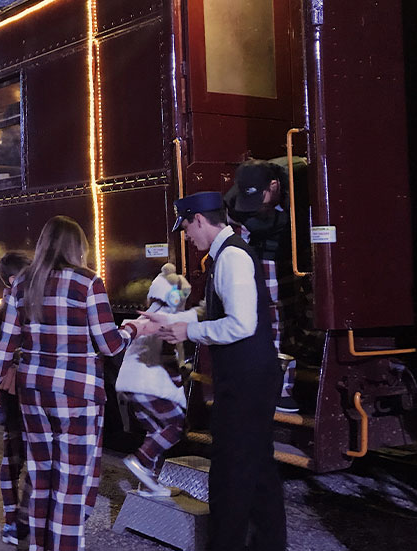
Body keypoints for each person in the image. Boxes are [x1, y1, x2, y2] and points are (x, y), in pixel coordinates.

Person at [0, 215, 147, 551]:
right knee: (71, 486)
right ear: (78, 248)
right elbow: (109, 345)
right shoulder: (88, 283)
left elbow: (4, 345)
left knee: (41, 477)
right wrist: (133, 329)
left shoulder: (23, 283)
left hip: (33, 394)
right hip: (77, 396)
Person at [145, 191, 286, 551]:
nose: (188, 237)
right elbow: (213, 312)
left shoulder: (232, 258)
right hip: (248, 377)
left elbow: (240, 325)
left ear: (199, 220)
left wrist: (188, 331)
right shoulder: (225, 254)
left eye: (187, 228)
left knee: (230, 475)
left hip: (245, 381)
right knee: (258, 473)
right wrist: (171, 320)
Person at [225, 159, 298, 413]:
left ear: (275, 186)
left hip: (283, 261)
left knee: (282, 324)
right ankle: (279, 389)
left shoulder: (297, 188)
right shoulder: (238, 199)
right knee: (272, 324)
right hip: (262, 262)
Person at [117, 263, 191, 497]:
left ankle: (147, 484)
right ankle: (141, 461)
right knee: (176, 425)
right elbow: (168, 357)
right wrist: (180, 378)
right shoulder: (167, 318)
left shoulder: (146, 316)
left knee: (154, 430)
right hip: (149, 385)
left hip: (130, 386)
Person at [0, 251, 32, 545]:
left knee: (17, 456)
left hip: (18, 389)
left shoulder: (9, 304)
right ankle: (15, 521)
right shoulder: (9, 306)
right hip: (16, 390)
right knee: (15, 457)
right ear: (15, 280)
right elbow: (2, 351)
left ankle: (18, 520)